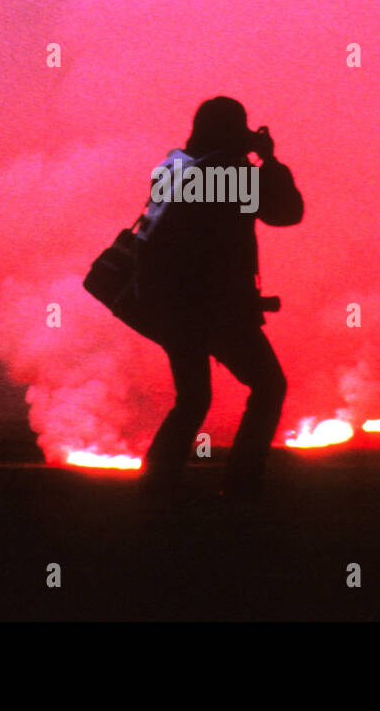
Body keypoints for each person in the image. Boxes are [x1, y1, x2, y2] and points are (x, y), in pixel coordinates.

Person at [137, 96, 303, 503]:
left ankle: (157, 486)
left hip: (173, 306)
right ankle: (242, 486)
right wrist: (269, 159)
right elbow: (287, 212)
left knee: (192, 399)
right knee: (268, 387)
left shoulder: (174, 168)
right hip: (220, 307)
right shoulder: (231, 171)